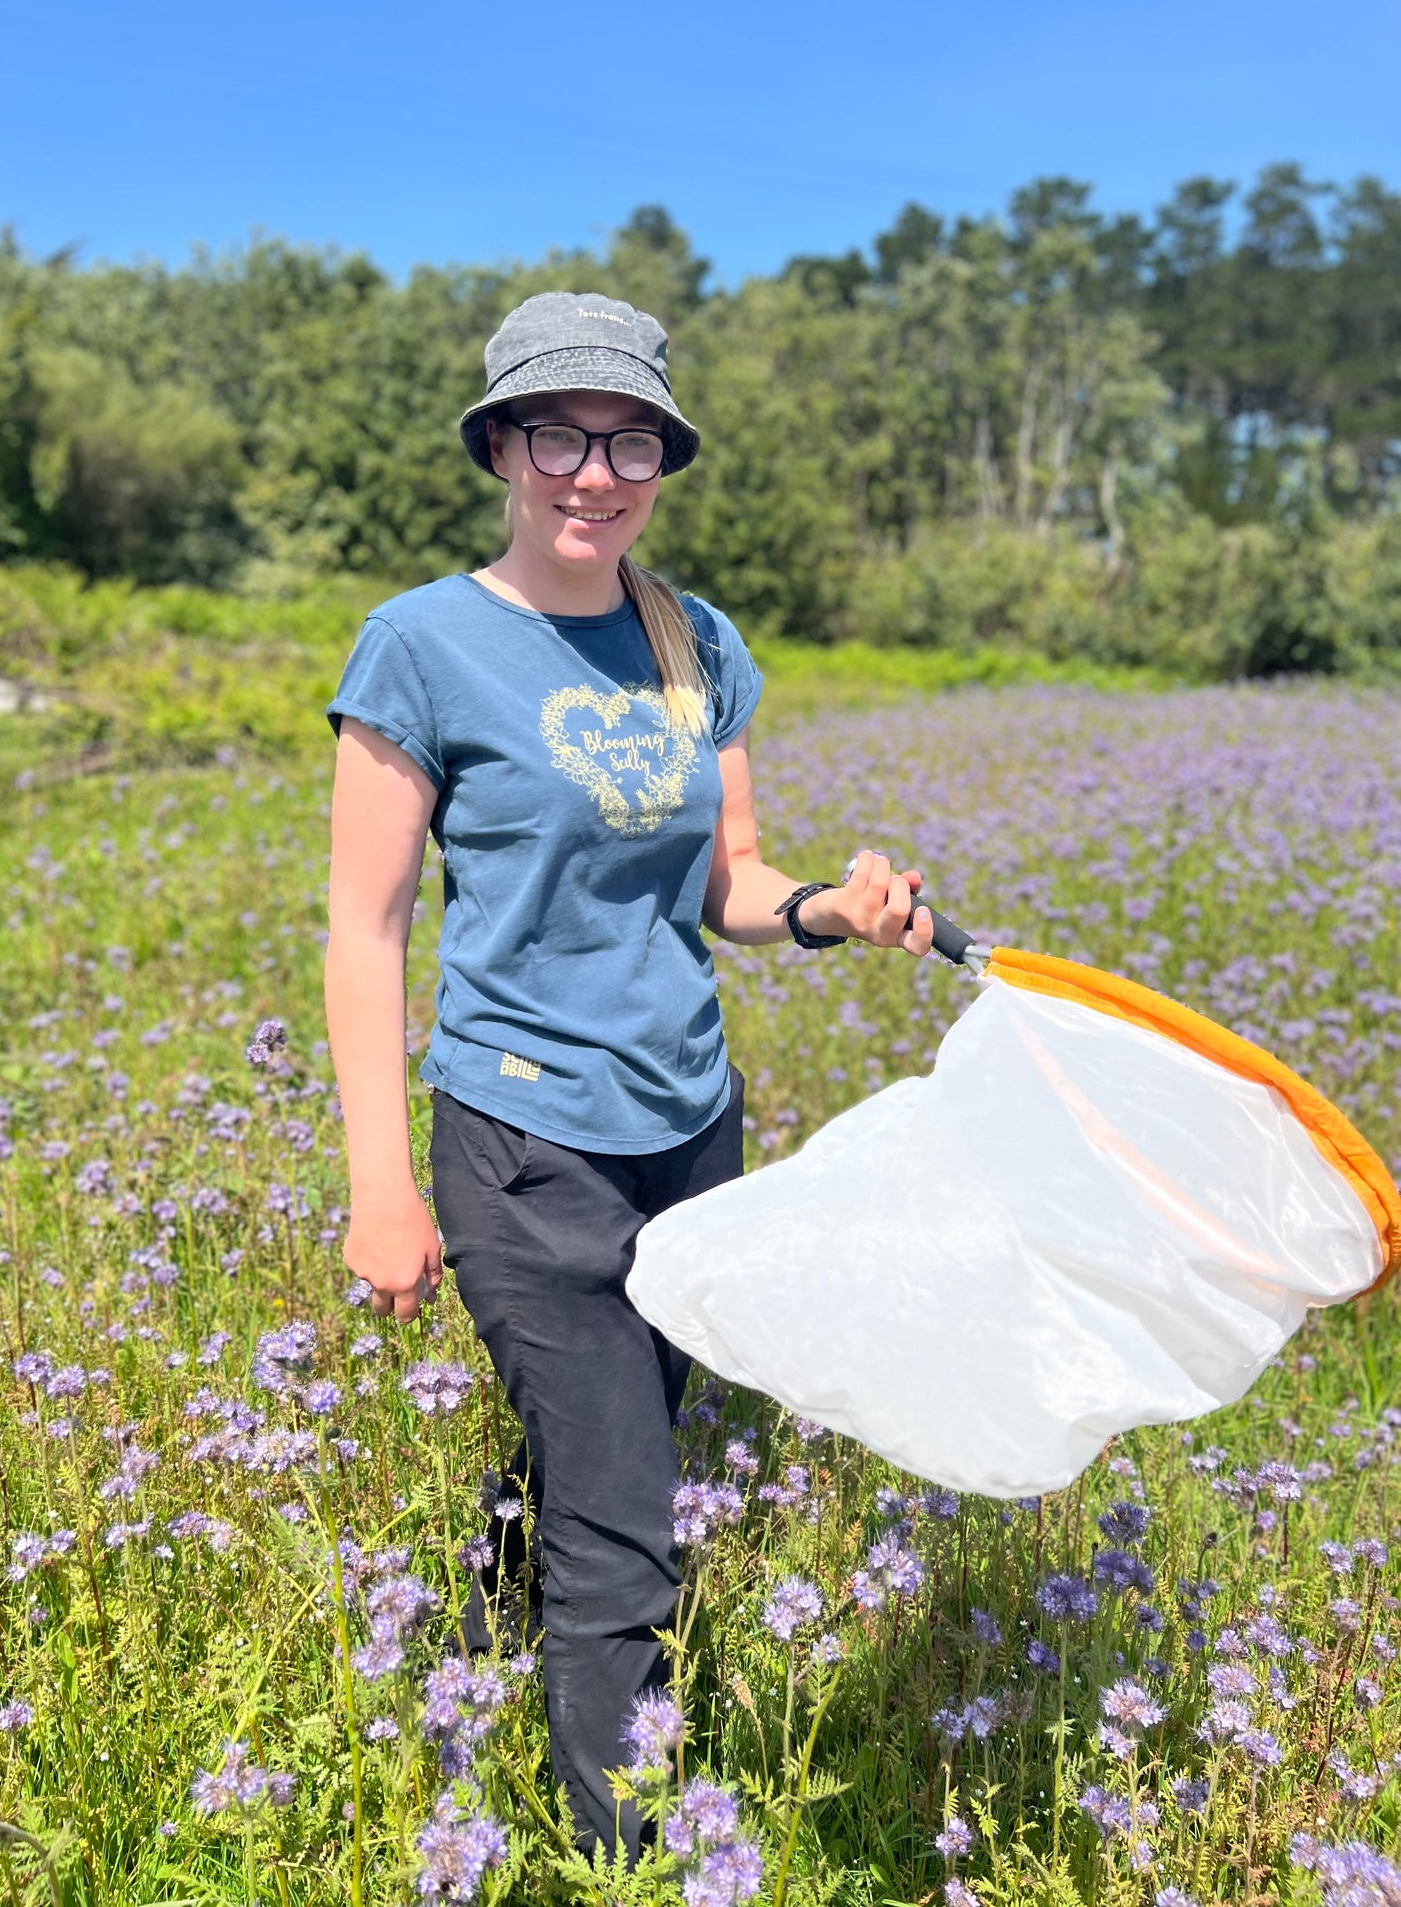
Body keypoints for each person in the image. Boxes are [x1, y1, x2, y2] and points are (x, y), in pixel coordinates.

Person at [323, 290, 933, 1862]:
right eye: (556, 435)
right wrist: (384, 1192)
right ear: (500, 447)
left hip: (688, 1129)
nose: (592, 473)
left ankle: (456, 1669)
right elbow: (364, 925)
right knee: (625, 1527)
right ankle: (629, 1870)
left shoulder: (692, 637)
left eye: (629, 441)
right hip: (521, 1143)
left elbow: (725, 880)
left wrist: (828, 913)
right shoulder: (421, 646)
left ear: (660, 456)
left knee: (589, 1462)